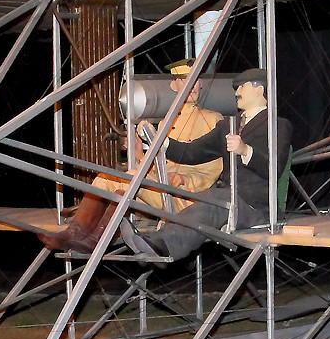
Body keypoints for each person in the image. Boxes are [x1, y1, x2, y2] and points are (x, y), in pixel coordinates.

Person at [39, 61, 224, 253]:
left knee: (131, 179)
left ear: (201, 84)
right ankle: (74, 234)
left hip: (184, 198)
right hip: (157, 190)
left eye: (196, 79)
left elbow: (213, 169)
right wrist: (138, 154)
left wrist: (186, 179)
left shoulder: (213, 120)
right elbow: (153, 168)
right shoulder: (165, 123)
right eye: (184, 80)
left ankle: (95, 240)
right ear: (174, 85)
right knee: (106, 179)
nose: (192, 85)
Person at [120, 68, 291, 262]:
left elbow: (274, 167)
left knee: (215, 199)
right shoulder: (228, 125)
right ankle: (155, 242)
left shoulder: (277, 125)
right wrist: (162, 141)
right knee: (210, 199)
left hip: (256, 208)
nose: (236, 92)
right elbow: (193, 152)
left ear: (259, 90)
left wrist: (246, 151)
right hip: (230, 199)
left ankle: (163, 246)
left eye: (242, 86)